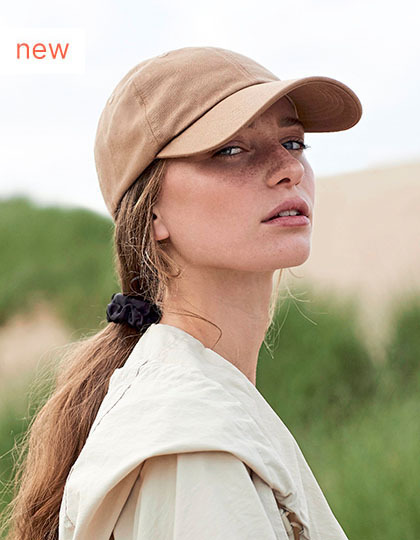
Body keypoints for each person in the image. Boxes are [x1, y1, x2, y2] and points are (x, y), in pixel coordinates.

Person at [4, 46, 362, 540]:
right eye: (230, 150)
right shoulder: (191, 443)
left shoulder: (197, 407)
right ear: (152, 212)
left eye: (293, 142)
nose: (289, 168)